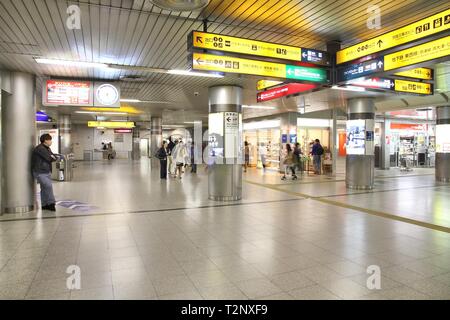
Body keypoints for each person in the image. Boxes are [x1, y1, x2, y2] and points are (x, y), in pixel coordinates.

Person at [32, 134, 58, 211]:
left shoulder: (47, 148)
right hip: (40, 172)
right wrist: (52, 157)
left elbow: (54, 157)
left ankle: (44, 204)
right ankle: (51, 203)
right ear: (45, 140)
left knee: (44, 188)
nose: (51, 141)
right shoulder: (40, 148)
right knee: (48, 186)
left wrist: (53, 157)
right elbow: (50, 158)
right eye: (50, 140)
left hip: (46, 171)